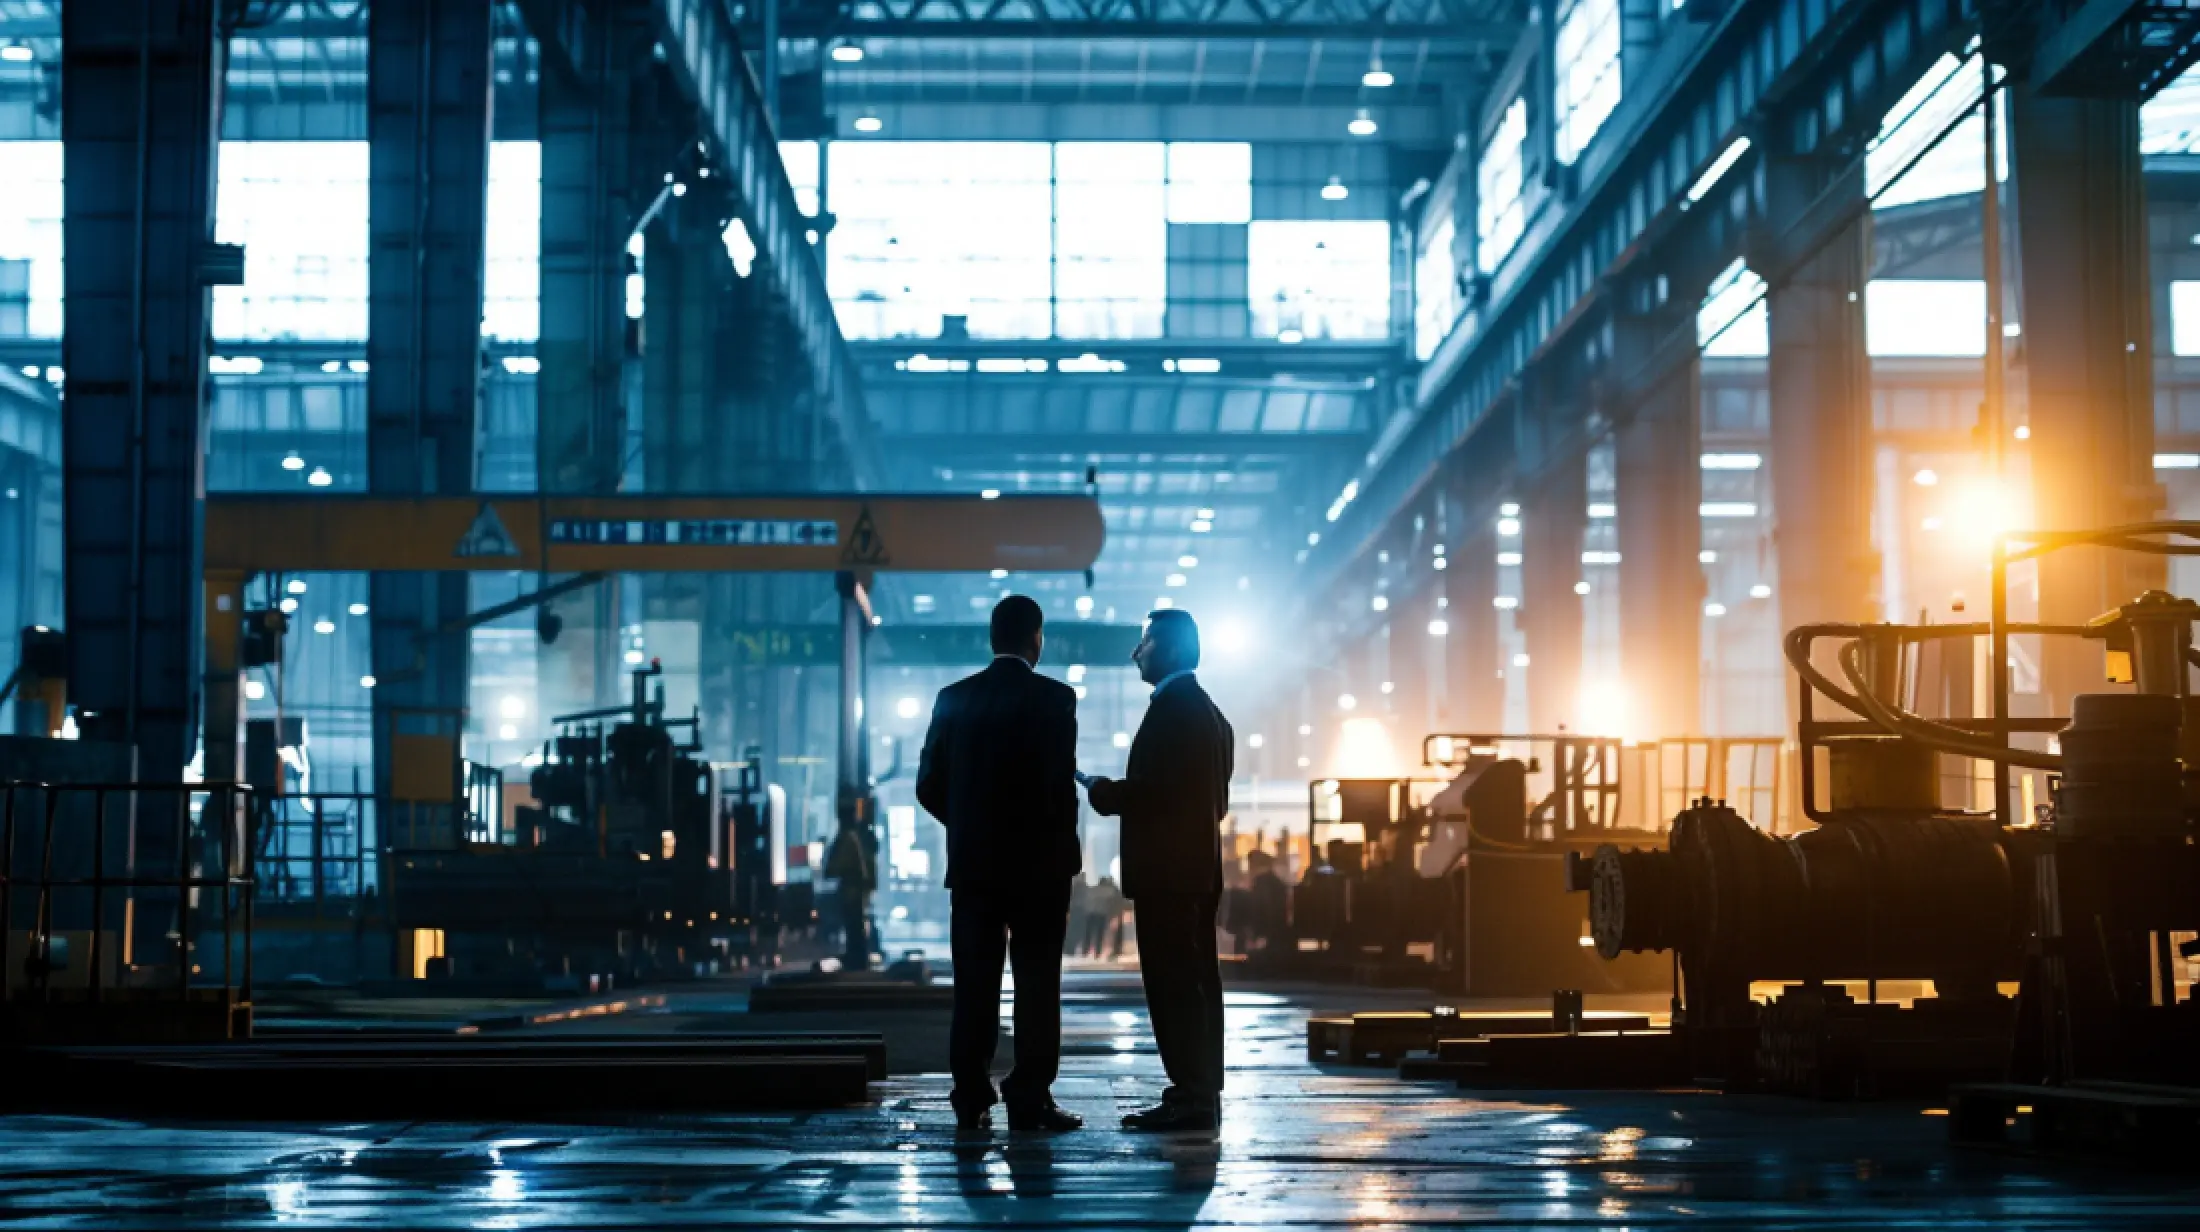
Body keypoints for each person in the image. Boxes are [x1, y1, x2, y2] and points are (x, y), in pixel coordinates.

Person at [915, 594, 1084, 1134]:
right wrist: (1061, 857)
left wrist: (966, 824)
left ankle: (970, 1094)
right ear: (1036, 639)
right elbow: (1061, 790)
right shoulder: (1056, 699)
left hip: (975, 870)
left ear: (992, 639)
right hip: (1038, 873)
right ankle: (1029, 1096)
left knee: (975, 986)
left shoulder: (953, 699)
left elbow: (927, 785)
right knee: (1037, 987)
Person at [1086, 608, 1234, 1132]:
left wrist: (1106, 794)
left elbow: (1161, 793)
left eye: (1144, 642)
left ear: (1168, 649)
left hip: (1170, 877)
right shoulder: (1210, 715)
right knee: (1193, 983)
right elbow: (1208, 800)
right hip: (1193, 871)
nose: (1136, 652)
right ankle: (1195, 1090)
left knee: (1175, 986)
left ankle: (1194, 1097)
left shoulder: (1175, 712)